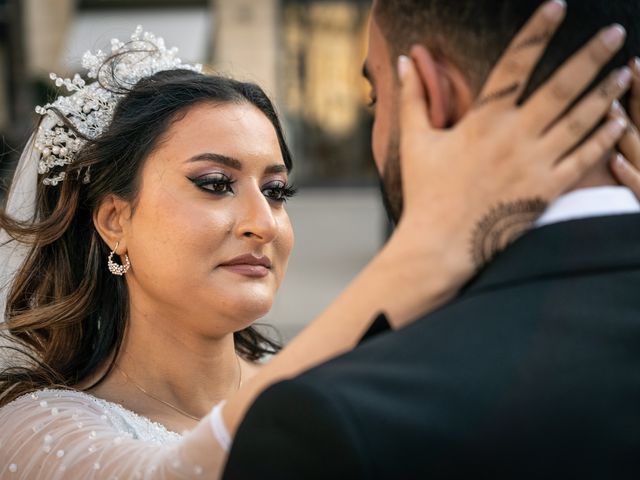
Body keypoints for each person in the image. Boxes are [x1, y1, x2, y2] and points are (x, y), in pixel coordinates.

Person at [0, 5, 634, 479]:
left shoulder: (326, 383)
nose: (262, 222)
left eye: (277, 191)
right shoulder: (38, 427)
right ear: (114, 219)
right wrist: (427, 245)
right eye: (216, 184)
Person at [223, 1, 640, 478]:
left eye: (376, 99)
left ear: (435, 96)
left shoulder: (334, 420)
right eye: (216, 184)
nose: (264, 223)